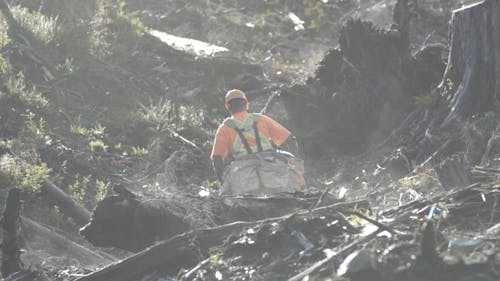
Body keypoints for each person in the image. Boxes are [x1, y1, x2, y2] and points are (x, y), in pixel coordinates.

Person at [211, 89, 305, 195]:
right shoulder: (261, 119)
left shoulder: (224, 128)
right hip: (271, 163)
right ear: (247, 104)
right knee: (294, 168)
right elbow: (289, 139)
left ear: (227, 106)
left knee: (226, 193)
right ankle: (300, 191)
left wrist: (223, 180)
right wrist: (292, 159)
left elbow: (217, 158)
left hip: (243, 172)